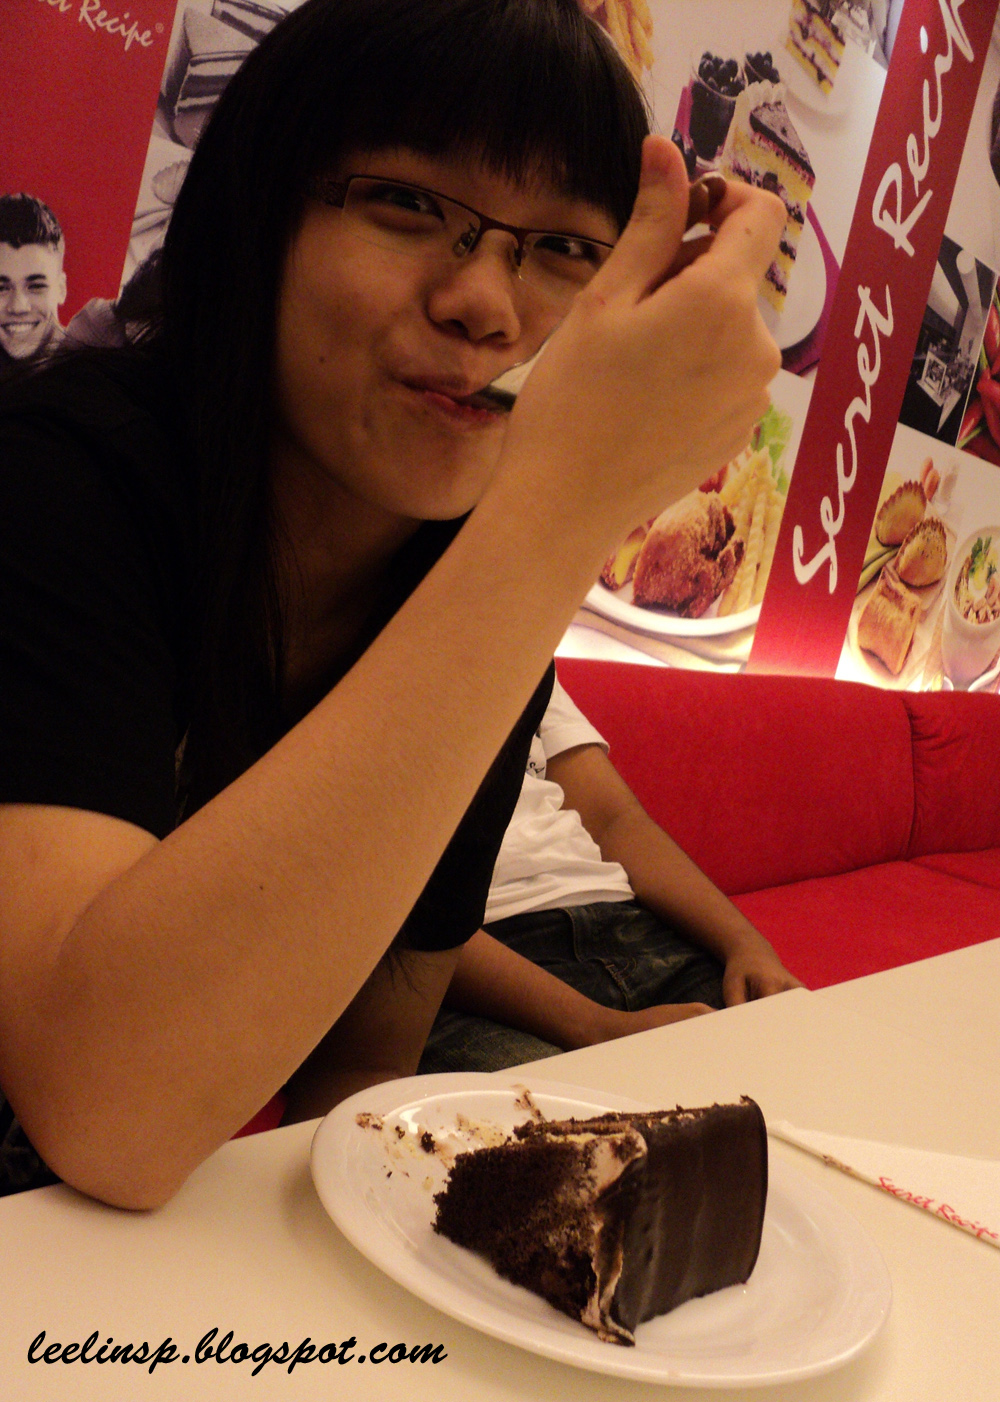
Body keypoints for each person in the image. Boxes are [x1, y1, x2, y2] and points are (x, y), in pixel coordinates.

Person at [0, 0, 784, 1207]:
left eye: (562, 248)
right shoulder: (60, 477)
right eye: (408, 204)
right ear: (257, 217)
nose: (486, 305)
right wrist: (562, 509)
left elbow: (363, 1068)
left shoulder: (466, 594)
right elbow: (104, 1113)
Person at [420, 679, 801, 1072]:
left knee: (798, 1060)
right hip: (470, 970)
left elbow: (614, 822)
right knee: (566, 1104)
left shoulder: (519, 660)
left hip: (630, 928)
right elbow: (409, 919)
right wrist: (598, 1027)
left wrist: (746, 946)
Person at [0, 193, 67, 370]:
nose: (18, 307)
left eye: (36, 286)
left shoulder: (95, 375)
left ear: (61, 289)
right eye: (1, 288)